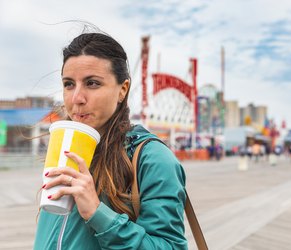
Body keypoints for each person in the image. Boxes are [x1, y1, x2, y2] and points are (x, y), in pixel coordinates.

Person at [34, 32, 187, 249]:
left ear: (122, 90)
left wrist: (98, 214)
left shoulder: (152, 158)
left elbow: (170, 246)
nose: (77, 98)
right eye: (69, 84)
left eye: (92, 83)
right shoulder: (65, 146)